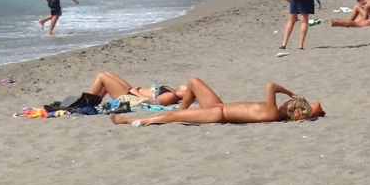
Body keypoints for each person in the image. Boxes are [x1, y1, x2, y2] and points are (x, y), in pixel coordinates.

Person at [110, 78, 324, 126]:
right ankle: (183, 111)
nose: (286, 104)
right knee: (193, 83)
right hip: (218, 106)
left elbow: (271, 86)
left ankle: (129, 122)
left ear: (291, 111)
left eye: (289, 106)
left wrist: (291, 94)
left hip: (217, 114)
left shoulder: (272, 112)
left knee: (173, 116)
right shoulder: (274, 112)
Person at [87, 72, 186, 106]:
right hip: (132, 93)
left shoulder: (171, 96)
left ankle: (84, 104)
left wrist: (135, 92)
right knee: (108, 74)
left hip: (132, 98)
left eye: (187, 87)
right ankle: (92, 103)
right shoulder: (173, 91)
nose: (185, 84)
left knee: (102, 77)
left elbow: (150, 102)